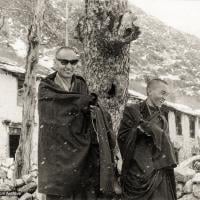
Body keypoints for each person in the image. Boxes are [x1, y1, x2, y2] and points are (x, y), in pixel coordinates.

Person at [37, 46, 116, 200]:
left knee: (82, 192)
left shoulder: (80, 84)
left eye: (73, 62)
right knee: (60, 192)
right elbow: (55, 114)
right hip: (57, 150)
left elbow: (86, 112)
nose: (69, 67)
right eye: (64, 62)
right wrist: (83, 103)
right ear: (55, 62)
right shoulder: (46, 87)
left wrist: (94, 113)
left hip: (80, 149)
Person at [118, 78, 177, 200]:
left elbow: (165, 147)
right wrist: (138, 130)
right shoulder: (132, 111)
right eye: (162, 93)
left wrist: (152, 131)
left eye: (167, 95)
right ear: (149, 91)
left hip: (157, 173)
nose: (164, 98)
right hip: (135, 172)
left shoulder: (162, 120)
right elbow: (122, 138)